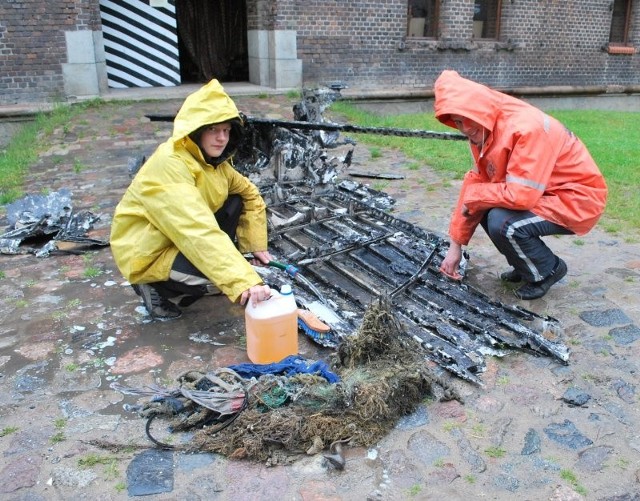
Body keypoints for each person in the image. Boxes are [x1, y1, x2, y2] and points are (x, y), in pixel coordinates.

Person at [434, 70, 607, 300]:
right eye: (457, 121)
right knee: (486, 209)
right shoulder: (483, 129)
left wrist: (475, 197)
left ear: (478, 109)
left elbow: (521, 196)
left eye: (467, 120)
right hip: (546, 194)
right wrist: (455, 247)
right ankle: (525, 263)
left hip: (577, 199)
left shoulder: (526, 128)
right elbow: (478, 183)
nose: (464, 129)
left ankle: (548, 270)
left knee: (502, 222)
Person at [110, 79, 273, 320]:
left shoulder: (214, 163)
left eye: (227, 130)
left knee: (236, 198)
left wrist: (255, 246)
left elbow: (250, 194)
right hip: (148, 249)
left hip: (175, 235)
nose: (221, 138)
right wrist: (242, 280)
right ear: (196, 130)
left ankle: (197, 274)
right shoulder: (171, 164)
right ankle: (151, 284)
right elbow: (196, 229)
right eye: (213, 130)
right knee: (222, 281)